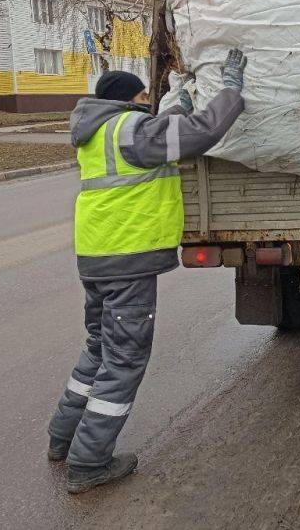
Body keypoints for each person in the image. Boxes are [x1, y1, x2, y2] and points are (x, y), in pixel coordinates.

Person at [47, 51, 248, 494]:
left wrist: (179, 100)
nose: (147, 105)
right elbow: (200, 133)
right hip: (127, 260)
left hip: (98, 255)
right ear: (126, 101)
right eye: (143, 98)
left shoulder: (97, 131)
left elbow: (162, 127)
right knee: (124, 359)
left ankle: (61, 440)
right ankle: (89, 462)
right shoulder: (131, 131)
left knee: (99, 348)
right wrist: (231, 89)